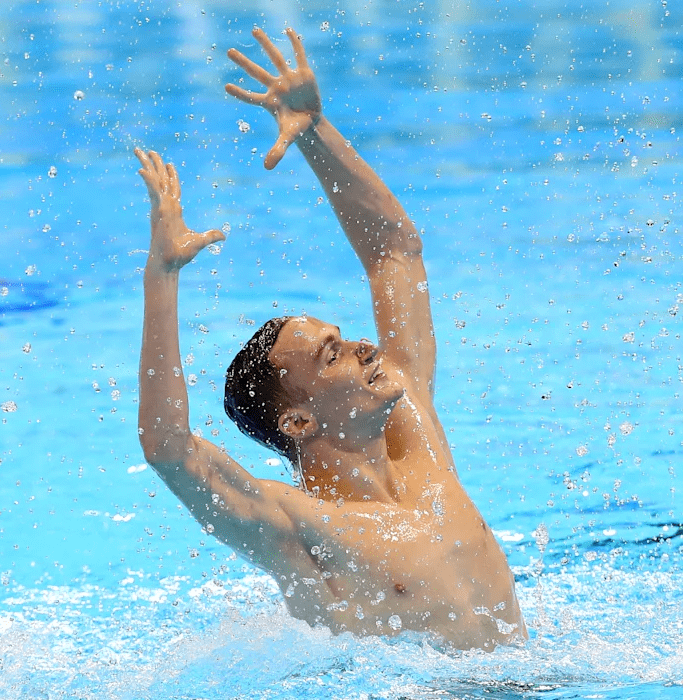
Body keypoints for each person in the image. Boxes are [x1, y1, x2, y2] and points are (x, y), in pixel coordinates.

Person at [134, 28, 524, 650]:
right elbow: (169, 450)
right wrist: (162, 276)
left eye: (343, 339)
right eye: (331, 355)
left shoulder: (415, 435)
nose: (365, 348)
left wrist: (315, 129)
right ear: (296, 420)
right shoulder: (299, 527)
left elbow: (393, 252)